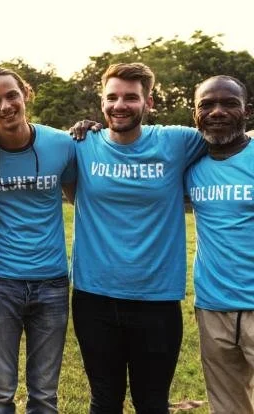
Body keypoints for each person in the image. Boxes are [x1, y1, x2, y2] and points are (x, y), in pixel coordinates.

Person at [69, 63, 205, 413]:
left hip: (157, 299)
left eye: (131, 97)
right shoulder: (82, 145)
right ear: (101, 102)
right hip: (94, 297)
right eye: (112, 97)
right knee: (104, 399)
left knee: (152, 401)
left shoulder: (177, 141)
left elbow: (234, 136)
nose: (120, 105)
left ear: (149, 102)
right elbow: (25, 139)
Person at [0, 68, 75, 413]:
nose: (5, 106)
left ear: (26, 93)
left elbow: (77, 195)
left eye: (11, 95)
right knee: (0, 392)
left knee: (44, 394)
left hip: (52, 282)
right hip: (1, 283)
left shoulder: (61, 144)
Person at [185, 75, 254, 413]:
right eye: (207, 105)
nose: (217, 111)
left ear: (247, 111)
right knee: (227, 407)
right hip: (212, 307)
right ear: (194, 114)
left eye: (229, 103)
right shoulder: (189, 163)